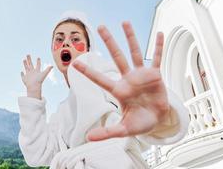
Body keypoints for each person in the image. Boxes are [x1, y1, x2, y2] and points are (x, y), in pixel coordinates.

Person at [18, 11, 189, 169]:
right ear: (53, 50)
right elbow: (37, 154)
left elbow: (145, 109)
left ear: (87, 48)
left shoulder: (104, 74)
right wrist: (33, 93)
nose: (66, 42)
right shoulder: (62, 113)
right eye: (59, 39)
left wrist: (147, 104)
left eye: (75, 39)